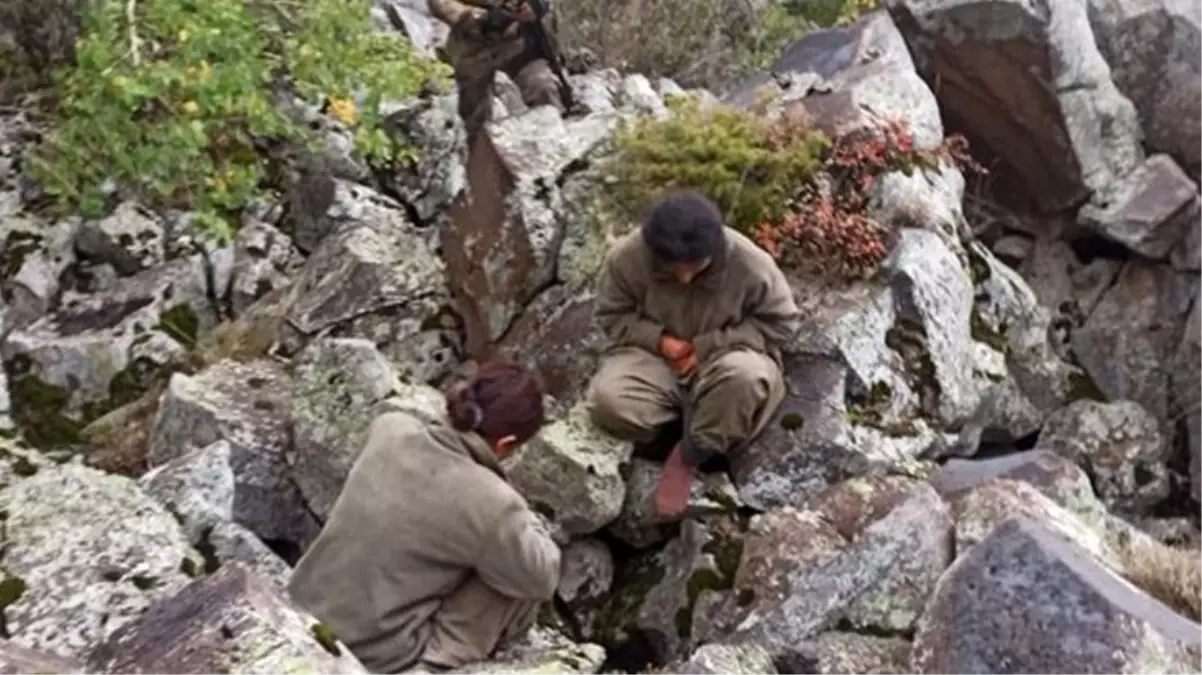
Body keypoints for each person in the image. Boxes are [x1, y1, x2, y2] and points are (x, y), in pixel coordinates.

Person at [287, 360, 561, 673]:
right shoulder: (492, 503)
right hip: (375, 653)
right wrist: (524, 520)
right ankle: (433, 666)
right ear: (506, 444)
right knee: (515, 572)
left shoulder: (390, 427)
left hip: (302, 611)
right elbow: (543, 579)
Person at [585, 190, 803, 517]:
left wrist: (706, 347)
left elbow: (782, 323)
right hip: (655, 359)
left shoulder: (750, 263)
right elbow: (611, 316)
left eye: (695, 267)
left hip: (727, 357)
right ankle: (670, 431)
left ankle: (691, 454)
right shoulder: (628, 257)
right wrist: (660, 341)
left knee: (744, 378)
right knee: (608, 400)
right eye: (674, 268)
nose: (684, 277)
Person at [427, 0, 566, 142]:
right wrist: (478, 18)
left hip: (521, 46)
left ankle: (561, 145)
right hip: (473, 51)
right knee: (474, 117)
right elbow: (440, 4)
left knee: (543, 87)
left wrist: (536, 5)